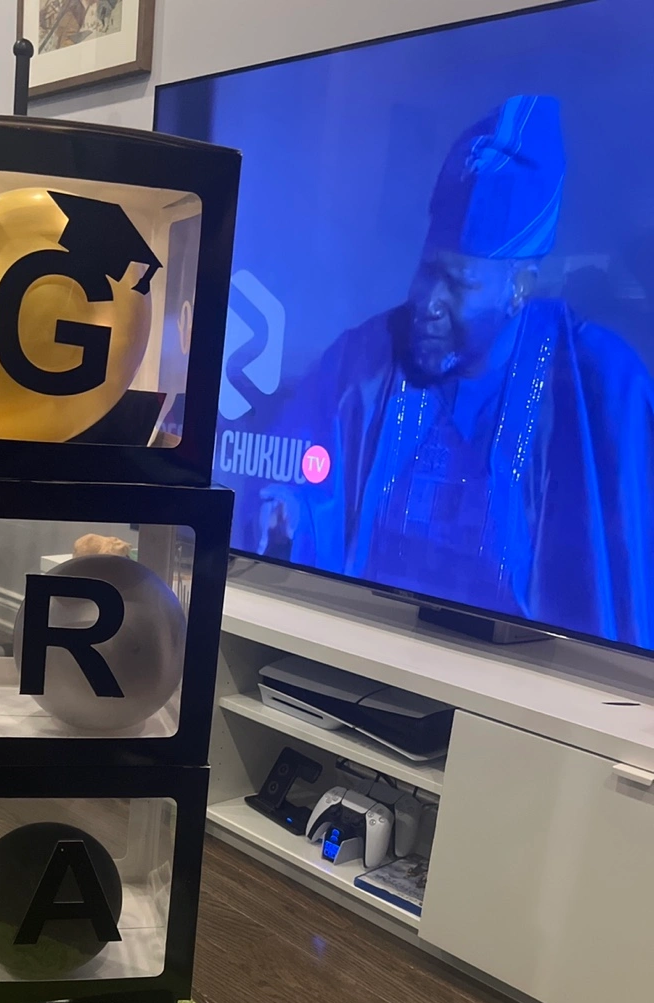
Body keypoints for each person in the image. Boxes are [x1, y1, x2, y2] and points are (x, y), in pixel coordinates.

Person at [257, 94, 654, 648]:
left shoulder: (603, 388)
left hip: (530, 681)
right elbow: (290, 474)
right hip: (363, 641)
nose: (428, 302)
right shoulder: (364, 359)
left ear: (519, 289)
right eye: (426, 271)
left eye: (458, 283)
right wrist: (287, 510)